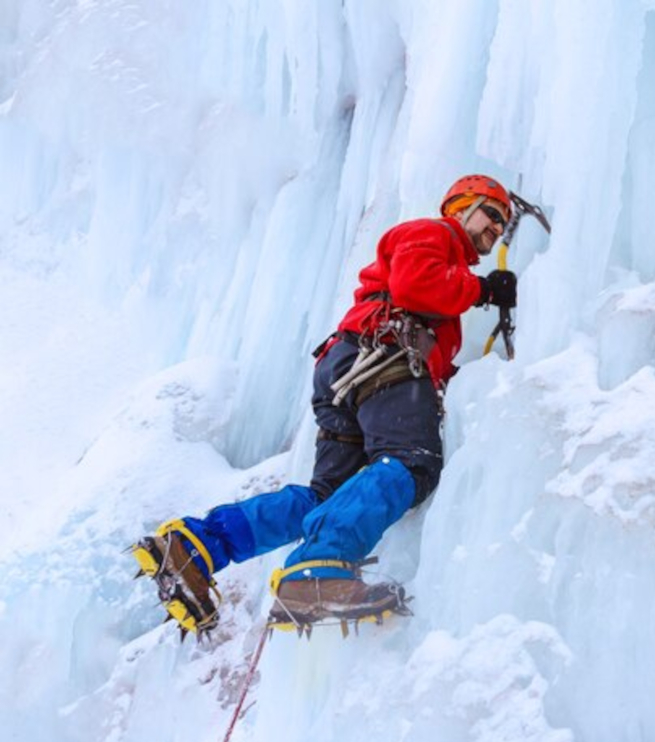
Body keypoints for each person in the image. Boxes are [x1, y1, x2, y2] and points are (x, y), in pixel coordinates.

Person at [132, 175, 519, 636]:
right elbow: (415, 284)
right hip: (384, 360)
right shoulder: (432, 233)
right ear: (458, 207)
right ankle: (318, 570)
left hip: (354, 368)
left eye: (502, 226)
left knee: (325, 497)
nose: (495, 229)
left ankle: (199, 545)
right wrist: (483, 290)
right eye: (491, 214)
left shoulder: (440, 259)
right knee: (412, 463)